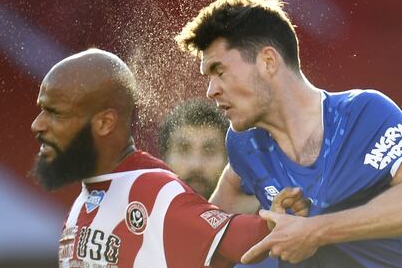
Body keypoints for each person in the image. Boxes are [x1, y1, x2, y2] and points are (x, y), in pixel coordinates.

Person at [175, 0, 402, 267]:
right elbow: (208, 241)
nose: (211, 90)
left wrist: (314, 231)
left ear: (268, 61)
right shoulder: (243, 145)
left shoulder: (363, 113)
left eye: (219, 71)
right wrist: (264, 224)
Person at [29, 48, 306, 267]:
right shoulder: (83, 201)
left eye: (56, 113)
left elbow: (242, 238)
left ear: (104, 123)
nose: (37, 125)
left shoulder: (154, 191)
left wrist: (276, 219)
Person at [160, 99, 277, 268]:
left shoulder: (269, 237)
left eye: (209, 150)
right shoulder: (139, 225)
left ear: (230, 161)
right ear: (163, 158)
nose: (196, 164)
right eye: (183, 149)